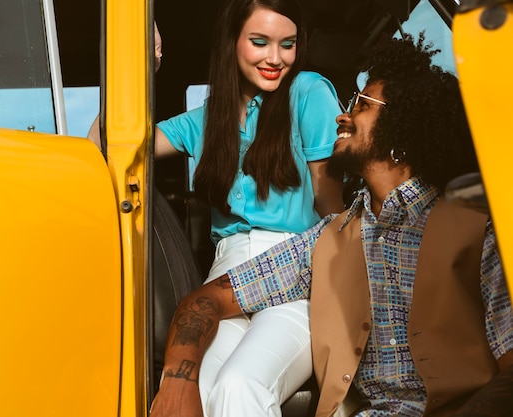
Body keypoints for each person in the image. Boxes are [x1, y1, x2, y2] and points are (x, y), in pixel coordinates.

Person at [149, 33, 513, 417]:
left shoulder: (481, 229)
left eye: (361, 104)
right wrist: (177, 382)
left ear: (402, 129)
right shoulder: (328, 239)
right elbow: (204, 301)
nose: (343, 114)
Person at [142, 0, 344, 415]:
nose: (275, 58)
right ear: (232, 42)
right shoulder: (204, 120)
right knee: (184, 389)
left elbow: (331, 205)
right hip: (226, 277)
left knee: (240, 386)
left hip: (296, 276)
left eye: (287, 44)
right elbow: (108, 144)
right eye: (259, 42)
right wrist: (145, 61)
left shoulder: (309, 92)